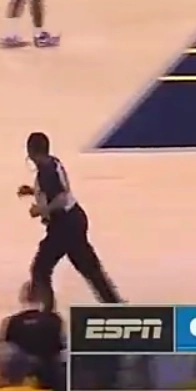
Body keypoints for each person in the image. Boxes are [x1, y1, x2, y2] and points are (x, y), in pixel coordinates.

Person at [20, 130, 123, 304]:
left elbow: (60, 198)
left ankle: (47, 311)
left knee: (40, 269)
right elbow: (57, 191)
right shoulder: (52, 163)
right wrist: (33, 191)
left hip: (64, 226)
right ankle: (115, 306)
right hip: (73, 220)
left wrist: (41, 209)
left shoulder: (46, 172)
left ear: (31, 151)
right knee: (90, 269)